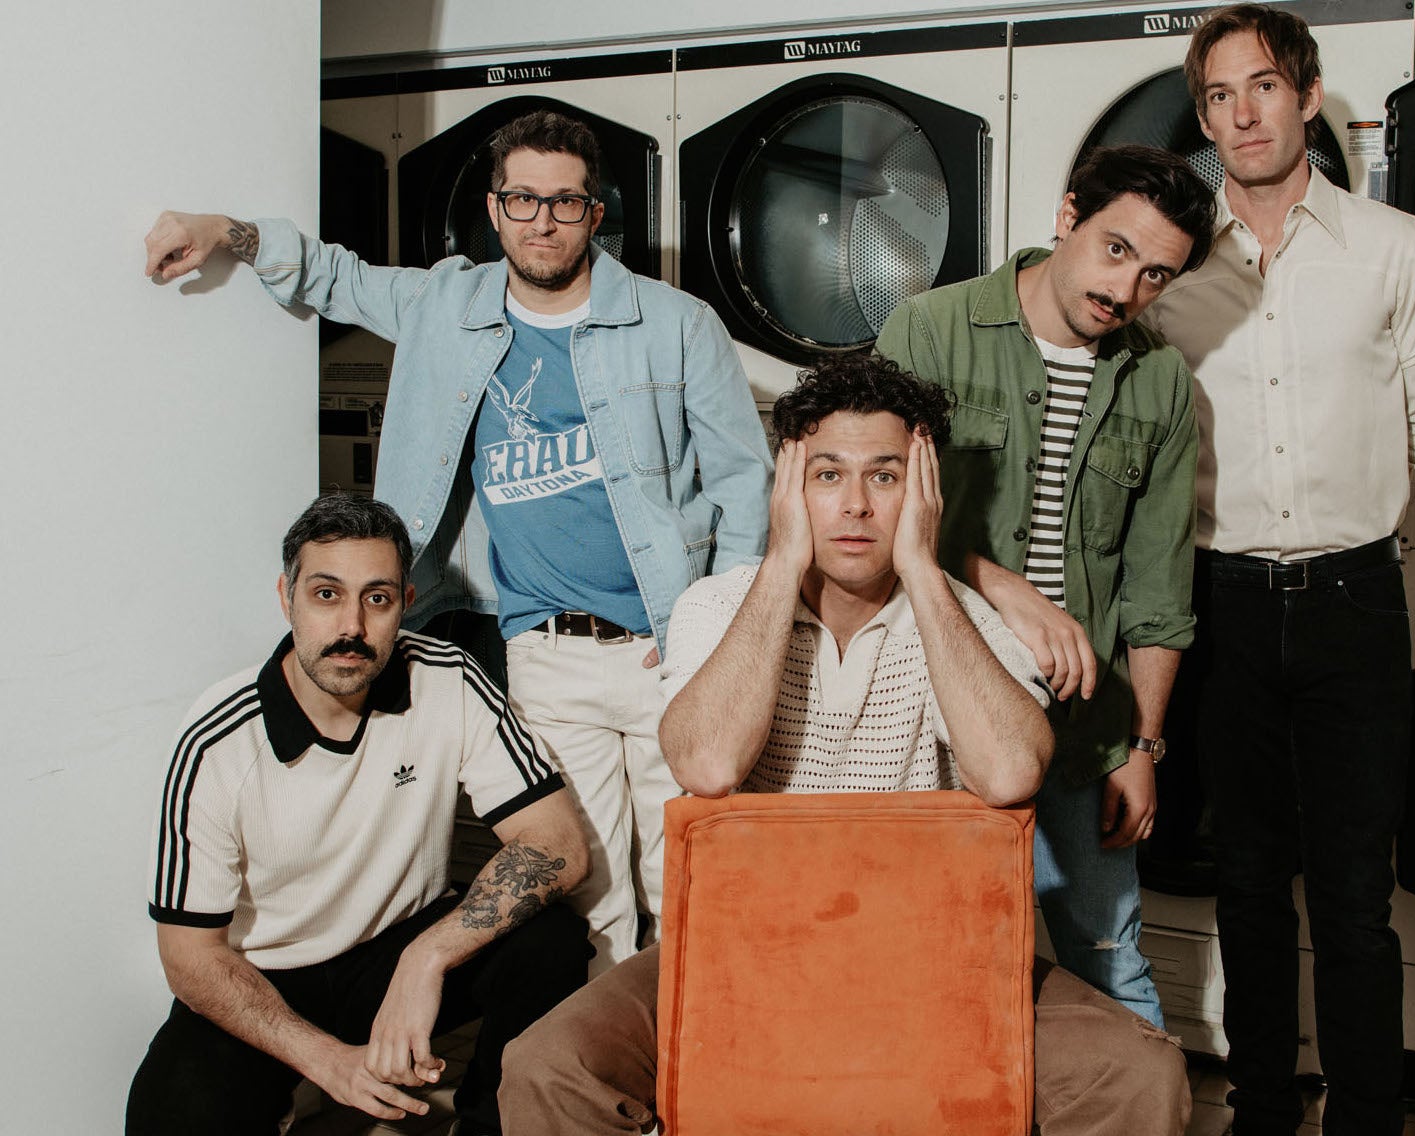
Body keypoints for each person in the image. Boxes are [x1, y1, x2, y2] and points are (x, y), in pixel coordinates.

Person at [495, 354, 1192, 1136]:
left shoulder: (968, 619)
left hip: (930, 956)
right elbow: (708, 764)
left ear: (924, 492)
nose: (854, 506)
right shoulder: (715, 606)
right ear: (790, 486)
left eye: (886, 478)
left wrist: (925, 572)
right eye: (827, 476)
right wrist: (783, 559)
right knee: (546, 1066)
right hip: (741, 952)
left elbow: (1007, 775)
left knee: (1138, 1072)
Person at [142, 110, 774, 973]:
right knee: (591, 902)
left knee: (689, 883)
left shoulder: (676, 323)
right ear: (493, 206)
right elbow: (334, 276)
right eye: (521, 199)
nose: (540, 221)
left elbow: (746, 485)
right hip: (546, 653)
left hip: (672, 651)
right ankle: (608, 1091)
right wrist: (226, 233)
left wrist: (717, 639)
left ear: (596, 214)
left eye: (563, 202)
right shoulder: (447, 303)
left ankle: (690, 1086)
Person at [1139, 7, 1415, 1133]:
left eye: (1264, 86)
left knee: (1354, 895)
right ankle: (1265, 1108)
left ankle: (1369, 1115)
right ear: (1205, 118)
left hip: (1353, 598)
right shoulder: (1172, 266)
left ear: (1310, 92)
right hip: (1219, 604)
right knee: (1246, 887)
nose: (1244, 113)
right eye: (1220, 97)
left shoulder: (1394, 247)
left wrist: (1348, 507)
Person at [875, 145, 1216, 1025]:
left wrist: (1141, 750)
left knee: (1110, 964)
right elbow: (874, 521)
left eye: (1154, 276)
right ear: (1067, 217)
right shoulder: (927, 329)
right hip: (935, 720)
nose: (1124, 289)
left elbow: (1158, 590)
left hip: (1085, 732)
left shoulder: (1160, 380)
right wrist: (1006, 590)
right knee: (930, 960)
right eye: (1113, 249)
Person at [126, 495, 593, 1136]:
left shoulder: (448, 677)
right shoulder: (218, 741)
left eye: (376, 599)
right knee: (169, 1115)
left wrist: (425, 960)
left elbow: (558, 842)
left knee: (551, 942)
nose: (352, 626)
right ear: (286, 596)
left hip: (398, 941)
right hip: (269, 976)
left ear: (404, 600)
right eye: (326, 595)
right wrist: (327, 1061)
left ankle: (490, 1127)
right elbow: (189, 956)